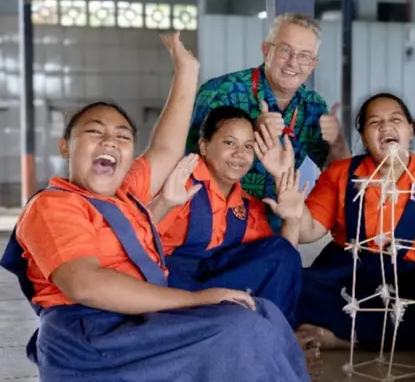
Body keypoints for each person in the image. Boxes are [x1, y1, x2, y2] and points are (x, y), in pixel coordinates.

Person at [0, 33, 310, 382]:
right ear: (65, 147)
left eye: (122, 137)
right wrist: (197, 300)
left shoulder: (126, 191)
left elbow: (165, 147)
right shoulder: (54, 204)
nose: (109, 141)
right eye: (95, 132)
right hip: (88, 333)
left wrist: (186, 71)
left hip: (139, 317)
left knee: (262, 313)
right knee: (238, 328)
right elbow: (85, 285)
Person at [261, 92, 415, 352]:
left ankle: (341, 335)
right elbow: (307, 231)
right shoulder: (341, 174)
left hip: (412, 277)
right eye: (375, 122)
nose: (386, 127)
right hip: (346, 274)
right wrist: (292, 207)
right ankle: (412, 336)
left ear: (410, 131)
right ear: (363, 136)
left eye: (395, 119)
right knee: (286, 285)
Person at [189, 12, 351, 234]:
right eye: (285, 50)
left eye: (304, 56)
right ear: (266, 50)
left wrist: (338, 142)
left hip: (273, 231)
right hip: (214, 228)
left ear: (313, 64)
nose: (293, 62)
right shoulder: (219, 92)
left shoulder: (314, 107)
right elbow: (188, 160)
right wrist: (248, 132)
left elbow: (338, 174)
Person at [148, 105, 307, 326]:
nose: (239, 154)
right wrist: (163, 202)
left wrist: (292, 219)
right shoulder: (177, 187)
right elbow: (136, 242)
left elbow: (280, 266)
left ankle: (277, 336)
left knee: (280, 252)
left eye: (248, 146)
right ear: (204, 146)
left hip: (217, 287)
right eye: (229, 143)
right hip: (172, 287)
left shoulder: (248, 206)